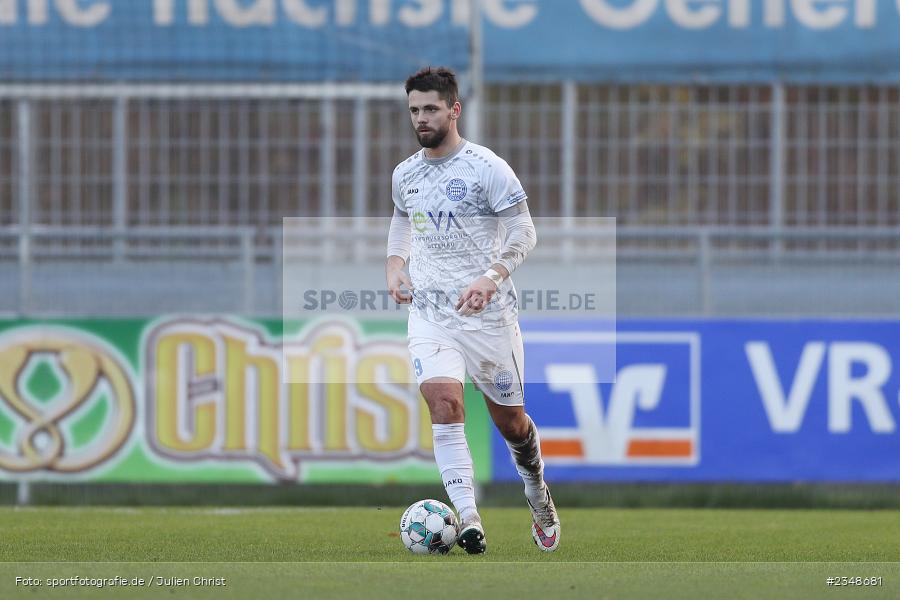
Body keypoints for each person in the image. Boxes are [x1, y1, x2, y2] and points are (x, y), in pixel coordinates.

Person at [384, 66, 559, 554]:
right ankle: (467, 516)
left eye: (431, 109)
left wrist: (491, 277)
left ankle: (536, 491)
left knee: (513, 426)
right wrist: (395, 265)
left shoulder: (487, 168)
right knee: (444, 404)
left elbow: (525, 232)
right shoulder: (405, 174)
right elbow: (402, 222)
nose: (421, 118)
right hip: (432, 314)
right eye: (415, 109)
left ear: (454, 109)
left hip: (489, 318)